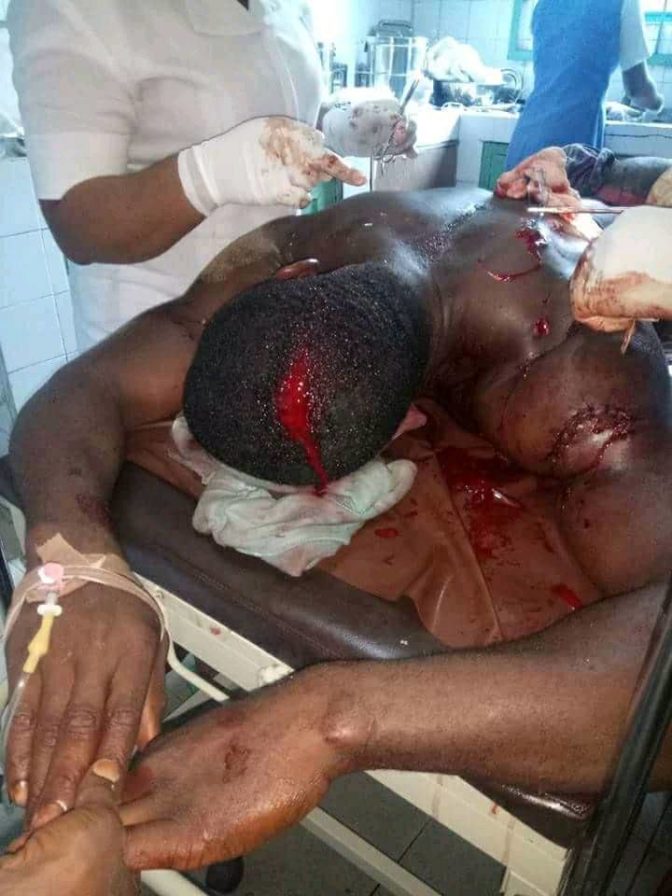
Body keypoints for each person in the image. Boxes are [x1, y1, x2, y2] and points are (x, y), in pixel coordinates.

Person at [3, 185, 672, 887]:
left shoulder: (576, 387)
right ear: (292, 278)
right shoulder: (287, 245)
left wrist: (332, 723)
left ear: (402, 430)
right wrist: (72, 561)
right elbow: (86, 386)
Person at [7, 0, 415, 350]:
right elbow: (78, 224)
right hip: (155, 338)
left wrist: (341, 127)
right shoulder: (76, 8)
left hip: (266, 310)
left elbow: (263, 102)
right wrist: (212, 173)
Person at [505, 0, 663, 169]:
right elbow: (638, 90)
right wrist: (657, 103)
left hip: (526, 136)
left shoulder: (545, 3)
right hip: (571, 141)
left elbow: (563, 73)